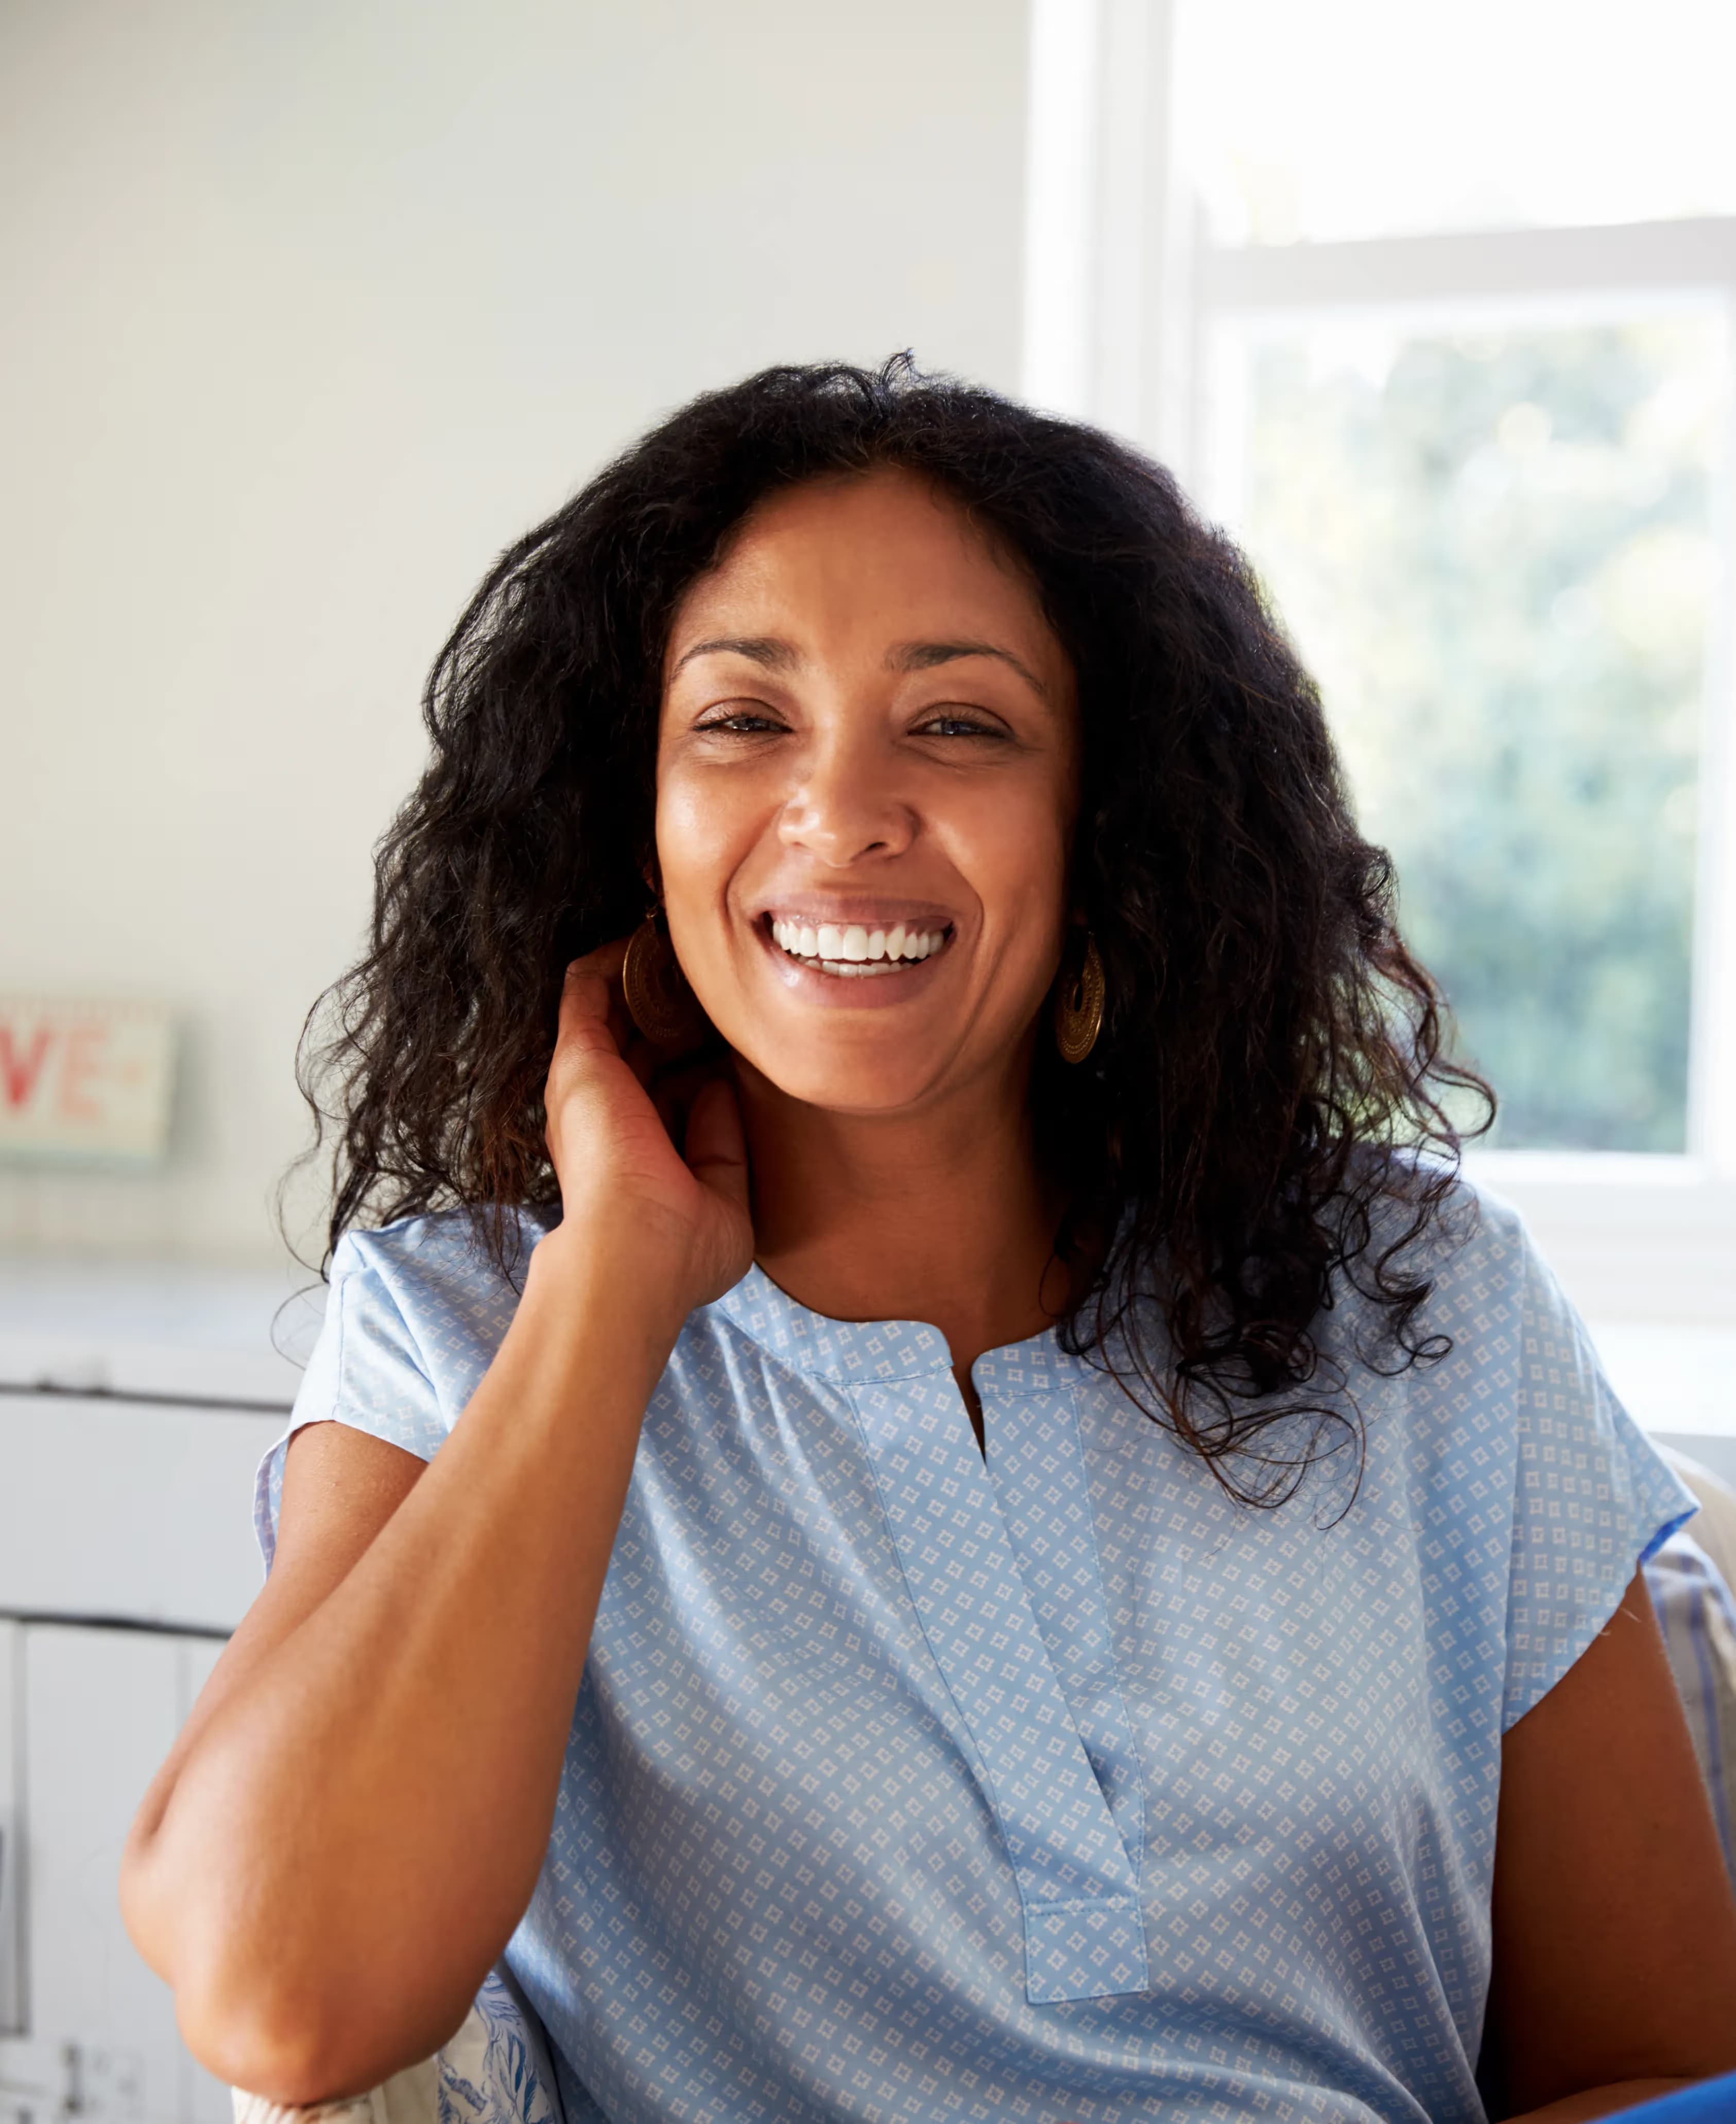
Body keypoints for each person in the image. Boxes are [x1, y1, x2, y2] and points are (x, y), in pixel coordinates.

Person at [121, 358, 1736, 2124]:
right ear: (632, 817)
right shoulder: (459, 1327)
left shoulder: (1421, 1297)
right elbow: (285, 2001)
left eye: (958, 724)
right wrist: (610, 1291)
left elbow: (1653, 2064)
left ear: (1105, 819)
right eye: (741, 720)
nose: (841, 809)